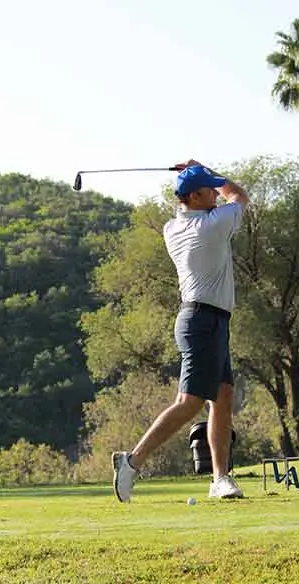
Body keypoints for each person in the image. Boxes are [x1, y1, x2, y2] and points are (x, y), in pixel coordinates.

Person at [112, 159, 249, 503]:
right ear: (196, 195)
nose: (216, 195)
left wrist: (198, 177)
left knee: (223, 395)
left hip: (206, 320)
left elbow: (211, 198)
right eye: (209, 190)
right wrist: (202, 167)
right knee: (190, 402)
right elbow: (239, 195)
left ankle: (220, 478)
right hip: (203, 321)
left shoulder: (173, 227)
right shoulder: (212, 225)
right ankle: (133, 461)